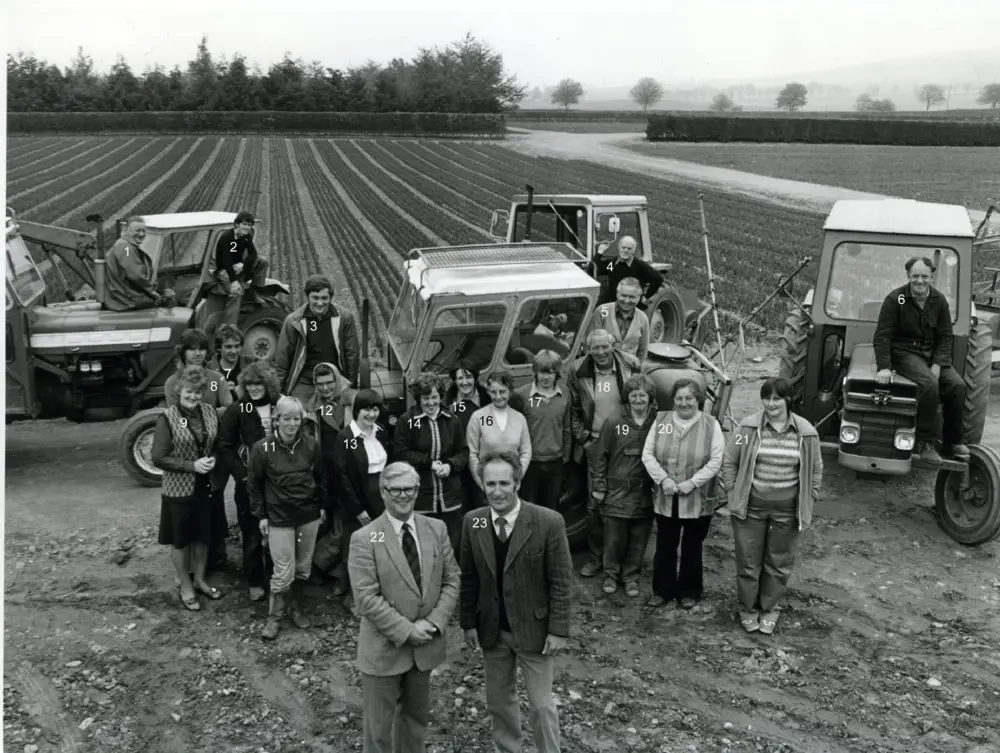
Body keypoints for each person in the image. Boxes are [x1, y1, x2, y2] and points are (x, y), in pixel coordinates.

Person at [460, 450, 573, 753]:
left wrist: (558, 629)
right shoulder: (474, 523)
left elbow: (562, 581)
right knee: (498, 700)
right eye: (490, 484)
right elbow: (469, 578)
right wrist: (468, 622)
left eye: (504, 483)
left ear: (517, 483)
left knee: (541, 705)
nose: (497, 491)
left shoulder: (548, 522)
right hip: (493, 630)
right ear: (482, 484)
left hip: (535, 632)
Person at [348, 462, 461, 753]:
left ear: (417, 490)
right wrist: (406, 630)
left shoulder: (436, 528)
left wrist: (435, 622)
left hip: (424, 648)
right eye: (395, 489)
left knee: (415, 722)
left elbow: (452, 579)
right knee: (379, 731)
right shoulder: (367, 537)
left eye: (409, 489)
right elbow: (366, 598)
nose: (403, 495)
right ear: (383, 492)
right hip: (384, 651)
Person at [719, 377, 823, 636]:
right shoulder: (748, 429)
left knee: (778, 562)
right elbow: (730, 460)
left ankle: (769, 608)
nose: (771, 403)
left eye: (777, 398)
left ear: (788, 399)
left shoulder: (806, 432)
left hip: (787, 510)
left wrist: (811, 496)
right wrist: (732, 492)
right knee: (748, 561)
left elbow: (816, 468)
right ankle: (748, 608)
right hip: (750, 508)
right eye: (766, 398)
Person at [247, 396, 330, 640]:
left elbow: (322, 478)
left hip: (308, 515)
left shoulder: (311, 445)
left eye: (297, 418)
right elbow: (253, 484)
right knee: (284, 570)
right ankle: (274, 618)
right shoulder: (262, 448)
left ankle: (296, 608)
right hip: (279, 517)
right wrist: (260, 515)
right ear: (276, 420)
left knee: (303, 568)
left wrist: (322, 506)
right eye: (287, 418)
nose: (292, 423)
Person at [873, 256, 968, 464]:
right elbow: (883, 335)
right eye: (915, 276)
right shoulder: (897, 299)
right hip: (904, 353)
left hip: (930, 354)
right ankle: (925, 442)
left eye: (924, 276)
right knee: (929, 383)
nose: (919, 281)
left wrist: (937, 364)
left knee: (957, 386)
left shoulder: (938, 300)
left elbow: (944, 336)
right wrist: (884, 367)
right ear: (908, 276)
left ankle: (953, 441)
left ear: (932, 276)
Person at [641, 379, 725, 609]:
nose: (684, 403)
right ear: (673, 399)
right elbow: (647, 454)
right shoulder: (662, 421)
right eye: (679, 398)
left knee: (692, 546)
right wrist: (663, 479)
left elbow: (716, 459)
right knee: (665, 545)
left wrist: (692, 483)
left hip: (697, 497)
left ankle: (689, 591)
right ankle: (662, 591)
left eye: (689, 398)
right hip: (666, 494)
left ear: (698, 399)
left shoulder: (710, 424)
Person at [567, 328, 642, 579]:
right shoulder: (577, 371)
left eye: (604, 347)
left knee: (626, 502)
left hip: (625, 441)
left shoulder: (631, 365)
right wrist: (585, 440)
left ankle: (622, 562)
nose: (600, 352)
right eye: (594, 348)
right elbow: (574, 410)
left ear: (613, 345)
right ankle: (596, 557)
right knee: (595, 504)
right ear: (587, 350)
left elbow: (642, 402)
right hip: (596, 441)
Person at [152, 366, 224, 611]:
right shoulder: (167, 417)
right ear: (179, 390)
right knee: (181, 540)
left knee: (203, 536)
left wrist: (212, 458)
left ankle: (201, 579)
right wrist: (192, 465)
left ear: (203, 392)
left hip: (206, 486)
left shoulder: (210, 412)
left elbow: (216, 443)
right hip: (179, 490)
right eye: (188, 391)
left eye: (197, 391)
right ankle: (185, 586)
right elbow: (158, 457)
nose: (193, 396)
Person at [164, 328, 233, 572]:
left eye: (202, 348)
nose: (197, 353)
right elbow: (176, 419)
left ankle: (216, 555)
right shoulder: (173, 383)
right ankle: (189, 566)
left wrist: (208, 416)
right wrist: (202, 420)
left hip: (215, 452)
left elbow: (230, 409)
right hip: (185, 455)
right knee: (187, 509)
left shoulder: (217, 379)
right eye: (192, 348)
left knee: (214, 504)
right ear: (183, 352)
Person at [216, 361, 282, 602]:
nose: (254, 388)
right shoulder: (237, 409)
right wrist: (240, 475)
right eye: (250, 384)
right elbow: (224, 446)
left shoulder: (280, 405)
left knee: (279, 532)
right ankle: (255, 580)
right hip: (249, 482)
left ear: (268, 384)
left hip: (278, 482)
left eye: (259, 383)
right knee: (252, 533)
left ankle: (278, 579)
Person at [590, 374, 658, 597]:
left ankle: (631, 577)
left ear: (650, 397)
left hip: (645, 491)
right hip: (616, 491)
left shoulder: (658, 422)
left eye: (643, 395)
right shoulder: (614, 420)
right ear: (627, 398)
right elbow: (600, 455)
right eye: (633, 395)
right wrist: (599, 486)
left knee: (639, 538)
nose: (638, 399)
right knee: (614, 538)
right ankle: (611, 575)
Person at [392, 372, 469, 556]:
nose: (430, 403)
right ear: (418, 398)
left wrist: (450, 465)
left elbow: (463, 451)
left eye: (434, 397)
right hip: (422, 495)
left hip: (450, 496)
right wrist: (430, 464)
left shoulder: (452, 419)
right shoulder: (407, 421)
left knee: (452, 546)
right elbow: (400, 452)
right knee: (425, 548)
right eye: (425, 398)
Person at [331, 389, 390, 605]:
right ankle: (351, 597)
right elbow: (342, 476)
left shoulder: (381, 432)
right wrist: (358, 509)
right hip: (357, 501)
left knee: (377, 546)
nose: (371, 414)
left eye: (375, 409)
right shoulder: (346, 438)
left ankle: (373, 593)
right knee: (354, 549)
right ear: (357, 410)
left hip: (381, 500)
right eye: (367, 409)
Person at [274, 274, 361, 401]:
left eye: (324, 298)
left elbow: (351, 353)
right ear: (308, 297)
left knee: (340, 414)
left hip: (334, 378)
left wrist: (350, 384)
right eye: (315, 298)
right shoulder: (294, 321)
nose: (320, 303)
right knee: (300, 414)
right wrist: (279, 394)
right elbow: (283, 359)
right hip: (306, 380)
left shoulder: (344, 318)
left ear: (330, 298)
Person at [515, 350, 572, 507]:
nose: (546, 377)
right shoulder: (521, 395)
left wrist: (565, 457)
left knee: (551, 508)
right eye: (542, 372)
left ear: (557, 374)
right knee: (528, 507)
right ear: (535, 372)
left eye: (551, 373)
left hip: (555, 461)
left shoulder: (565, 394)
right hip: (529, 462)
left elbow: (567, 427)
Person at [467, 371, 532, 503]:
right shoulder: (478, 417)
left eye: (502, 392)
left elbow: (526, 451)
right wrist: (482, 483)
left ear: (510, 392)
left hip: (511, 486)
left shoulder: (519, 419)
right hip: (486, 487)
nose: (498, 397)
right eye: (493, 392)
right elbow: (471, 453)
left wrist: (517, 478)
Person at [204, 211, 270, 332]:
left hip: (238, 267)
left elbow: (253, 254)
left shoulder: (246, 237)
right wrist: (234, 281)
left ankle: (255, 291)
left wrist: (242, 264)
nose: (247, 227)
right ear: (236, 224)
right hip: (224, 269)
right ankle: (228, 325)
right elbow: (226, 261)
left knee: (263, 261)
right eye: (245, 224)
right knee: (237, 291)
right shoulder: (226, 238)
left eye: (250, 225)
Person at [445, 359, 491, 509]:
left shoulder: (488, 398)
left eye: (469, 377)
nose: (465, 382)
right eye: (460, 378)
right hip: (459, 465)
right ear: (454, 380)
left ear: (475, 378)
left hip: (483, 462)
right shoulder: (447, 403)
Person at [103, 216, 171, 311]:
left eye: (144, 231)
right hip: (128, 299)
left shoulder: (125, 245)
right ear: (127, 231)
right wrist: (155, 295)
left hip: (126, 295)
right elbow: (135, 275)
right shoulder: (125, 247)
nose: (141, 234)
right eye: (137, 231)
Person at [587, 277, 650, 361]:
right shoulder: (603, 310)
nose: (627, 301)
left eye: (632, 297)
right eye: (623, 295)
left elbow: (643, 350)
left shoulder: (642, 318)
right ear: (617, 294)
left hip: (629, 369)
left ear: (639, 298)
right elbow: (589, 342)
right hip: (603, 367)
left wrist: (637, 369)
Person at [594, 234, 663, 306]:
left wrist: (646, 297)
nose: (626, 250)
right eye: (623, 247)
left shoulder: (640, 266)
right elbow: (593, 270)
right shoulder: (612, 264)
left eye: (629, 248)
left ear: (633, 250)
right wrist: (600, 251)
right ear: (619, 248)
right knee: (602, 313)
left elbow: (658, 279)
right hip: (613, 304)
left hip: (631, 306)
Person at [208, 323, 249, 400]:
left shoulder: (251, 365)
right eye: (228, 347)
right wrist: (220, 390)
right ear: (219, 348)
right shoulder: (208, 368)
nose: (233, 351)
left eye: (237, 346)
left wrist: (246, 393)